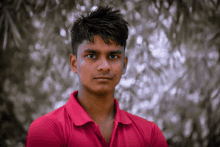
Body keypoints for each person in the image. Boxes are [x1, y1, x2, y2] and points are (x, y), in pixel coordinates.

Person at [25, 5, 168, 147]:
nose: (104, 66)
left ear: (124, 64)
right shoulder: (48, 129)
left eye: (113, 56)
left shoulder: (149, 134)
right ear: (74, 64)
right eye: (92, 55)